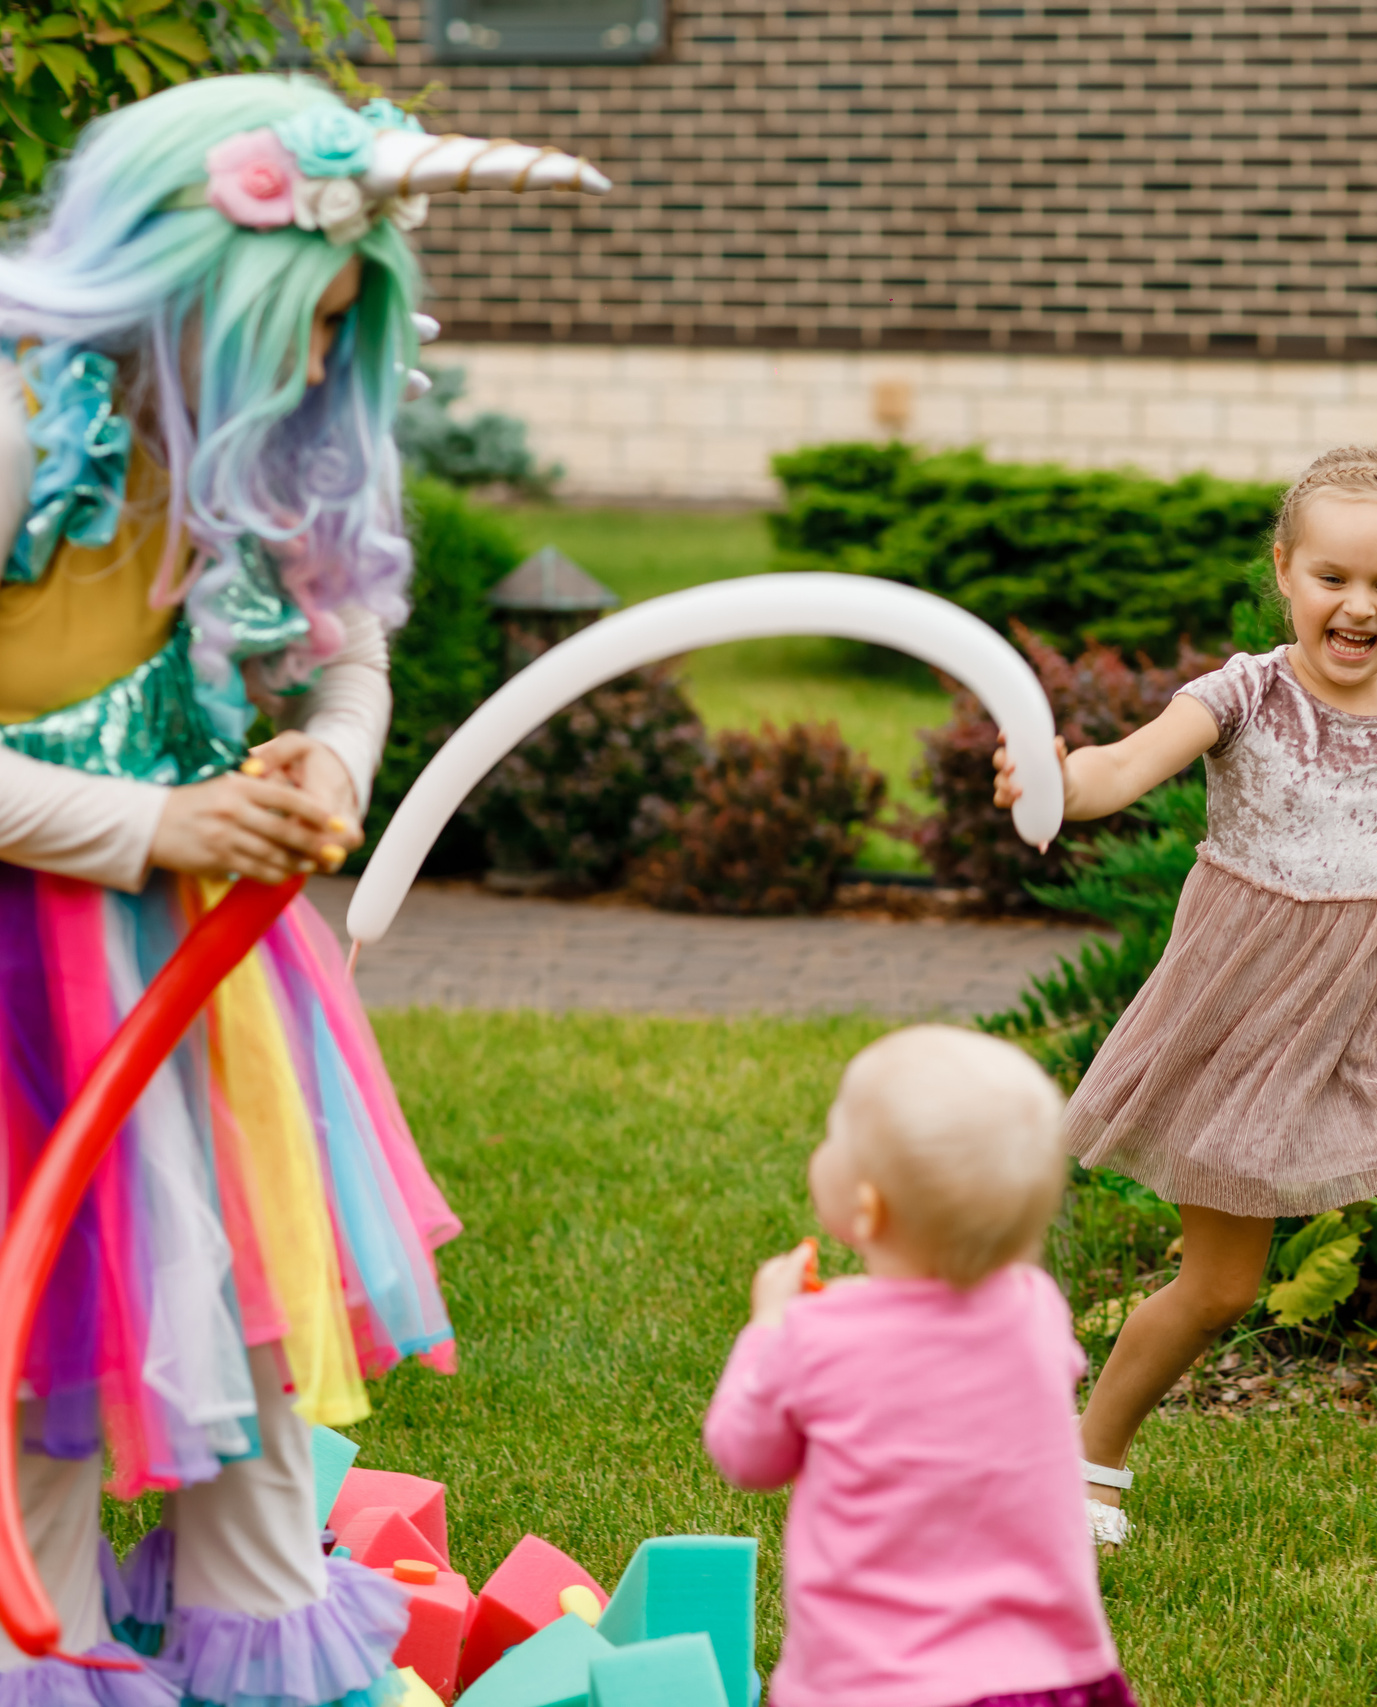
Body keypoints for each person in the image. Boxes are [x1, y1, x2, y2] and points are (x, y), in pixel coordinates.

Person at [0, 75, 606, 1706]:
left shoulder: (279, 447)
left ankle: (261, 1628)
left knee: (248, 1292)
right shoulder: (12, 433)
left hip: (219, 973)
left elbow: (351, 655)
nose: (311, 359)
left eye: (342, 322)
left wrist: (333, 761)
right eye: (289, 316)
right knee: (39, 1320)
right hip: (23, 980)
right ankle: (33, 1639)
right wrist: (146, 822)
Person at [994, 445, 1377, 1559]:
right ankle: (1082, 1461)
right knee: (1220, 1288)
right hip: (1245, 1011)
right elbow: (1119, 772)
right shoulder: (1243, 692)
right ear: (1284, 572)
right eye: (1333, 577)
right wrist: (1055, 778)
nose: (1358, 605)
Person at [704, 1027, 1133, 1707]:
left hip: (876, 1684)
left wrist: (766, 1327)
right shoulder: (1035, 1312)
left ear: (866, 1209)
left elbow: (745, 1455)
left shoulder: (817, 1336)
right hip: (1047, 1673)